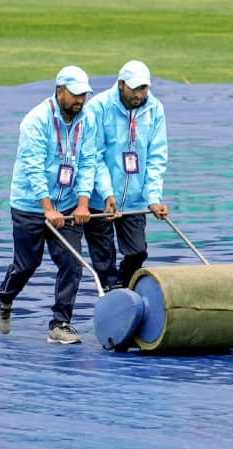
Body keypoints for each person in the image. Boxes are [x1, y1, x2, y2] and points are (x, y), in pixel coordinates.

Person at [0, 65, 101, 344]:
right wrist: (47, 208)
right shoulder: (36, 120)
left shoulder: (87, 120)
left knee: (71, 262)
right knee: (27, 264)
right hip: (30, 203)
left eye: (83, 95)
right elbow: (33, 167)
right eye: (75, 95)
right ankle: (4, 297)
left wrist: (83, 203)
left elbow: (88, 162)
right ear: (59, 91)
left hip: (67, 202)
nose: (80, 101)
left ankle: (60, 323)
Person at [83, 60, 169, 292]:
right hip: (100, 199)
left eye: (144, 88)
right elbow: (94, 155)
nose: (139, 94)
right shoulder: (98, 107)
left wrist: (153, 197)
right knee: (104, 259)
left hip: (134, 200)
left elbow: (156, 156)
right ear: (121, 84)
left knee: (138, 252)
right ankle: (112, 292)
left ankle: (126, 294)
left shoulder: (155, 109)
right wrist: (106, 192)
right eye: (134, 88)